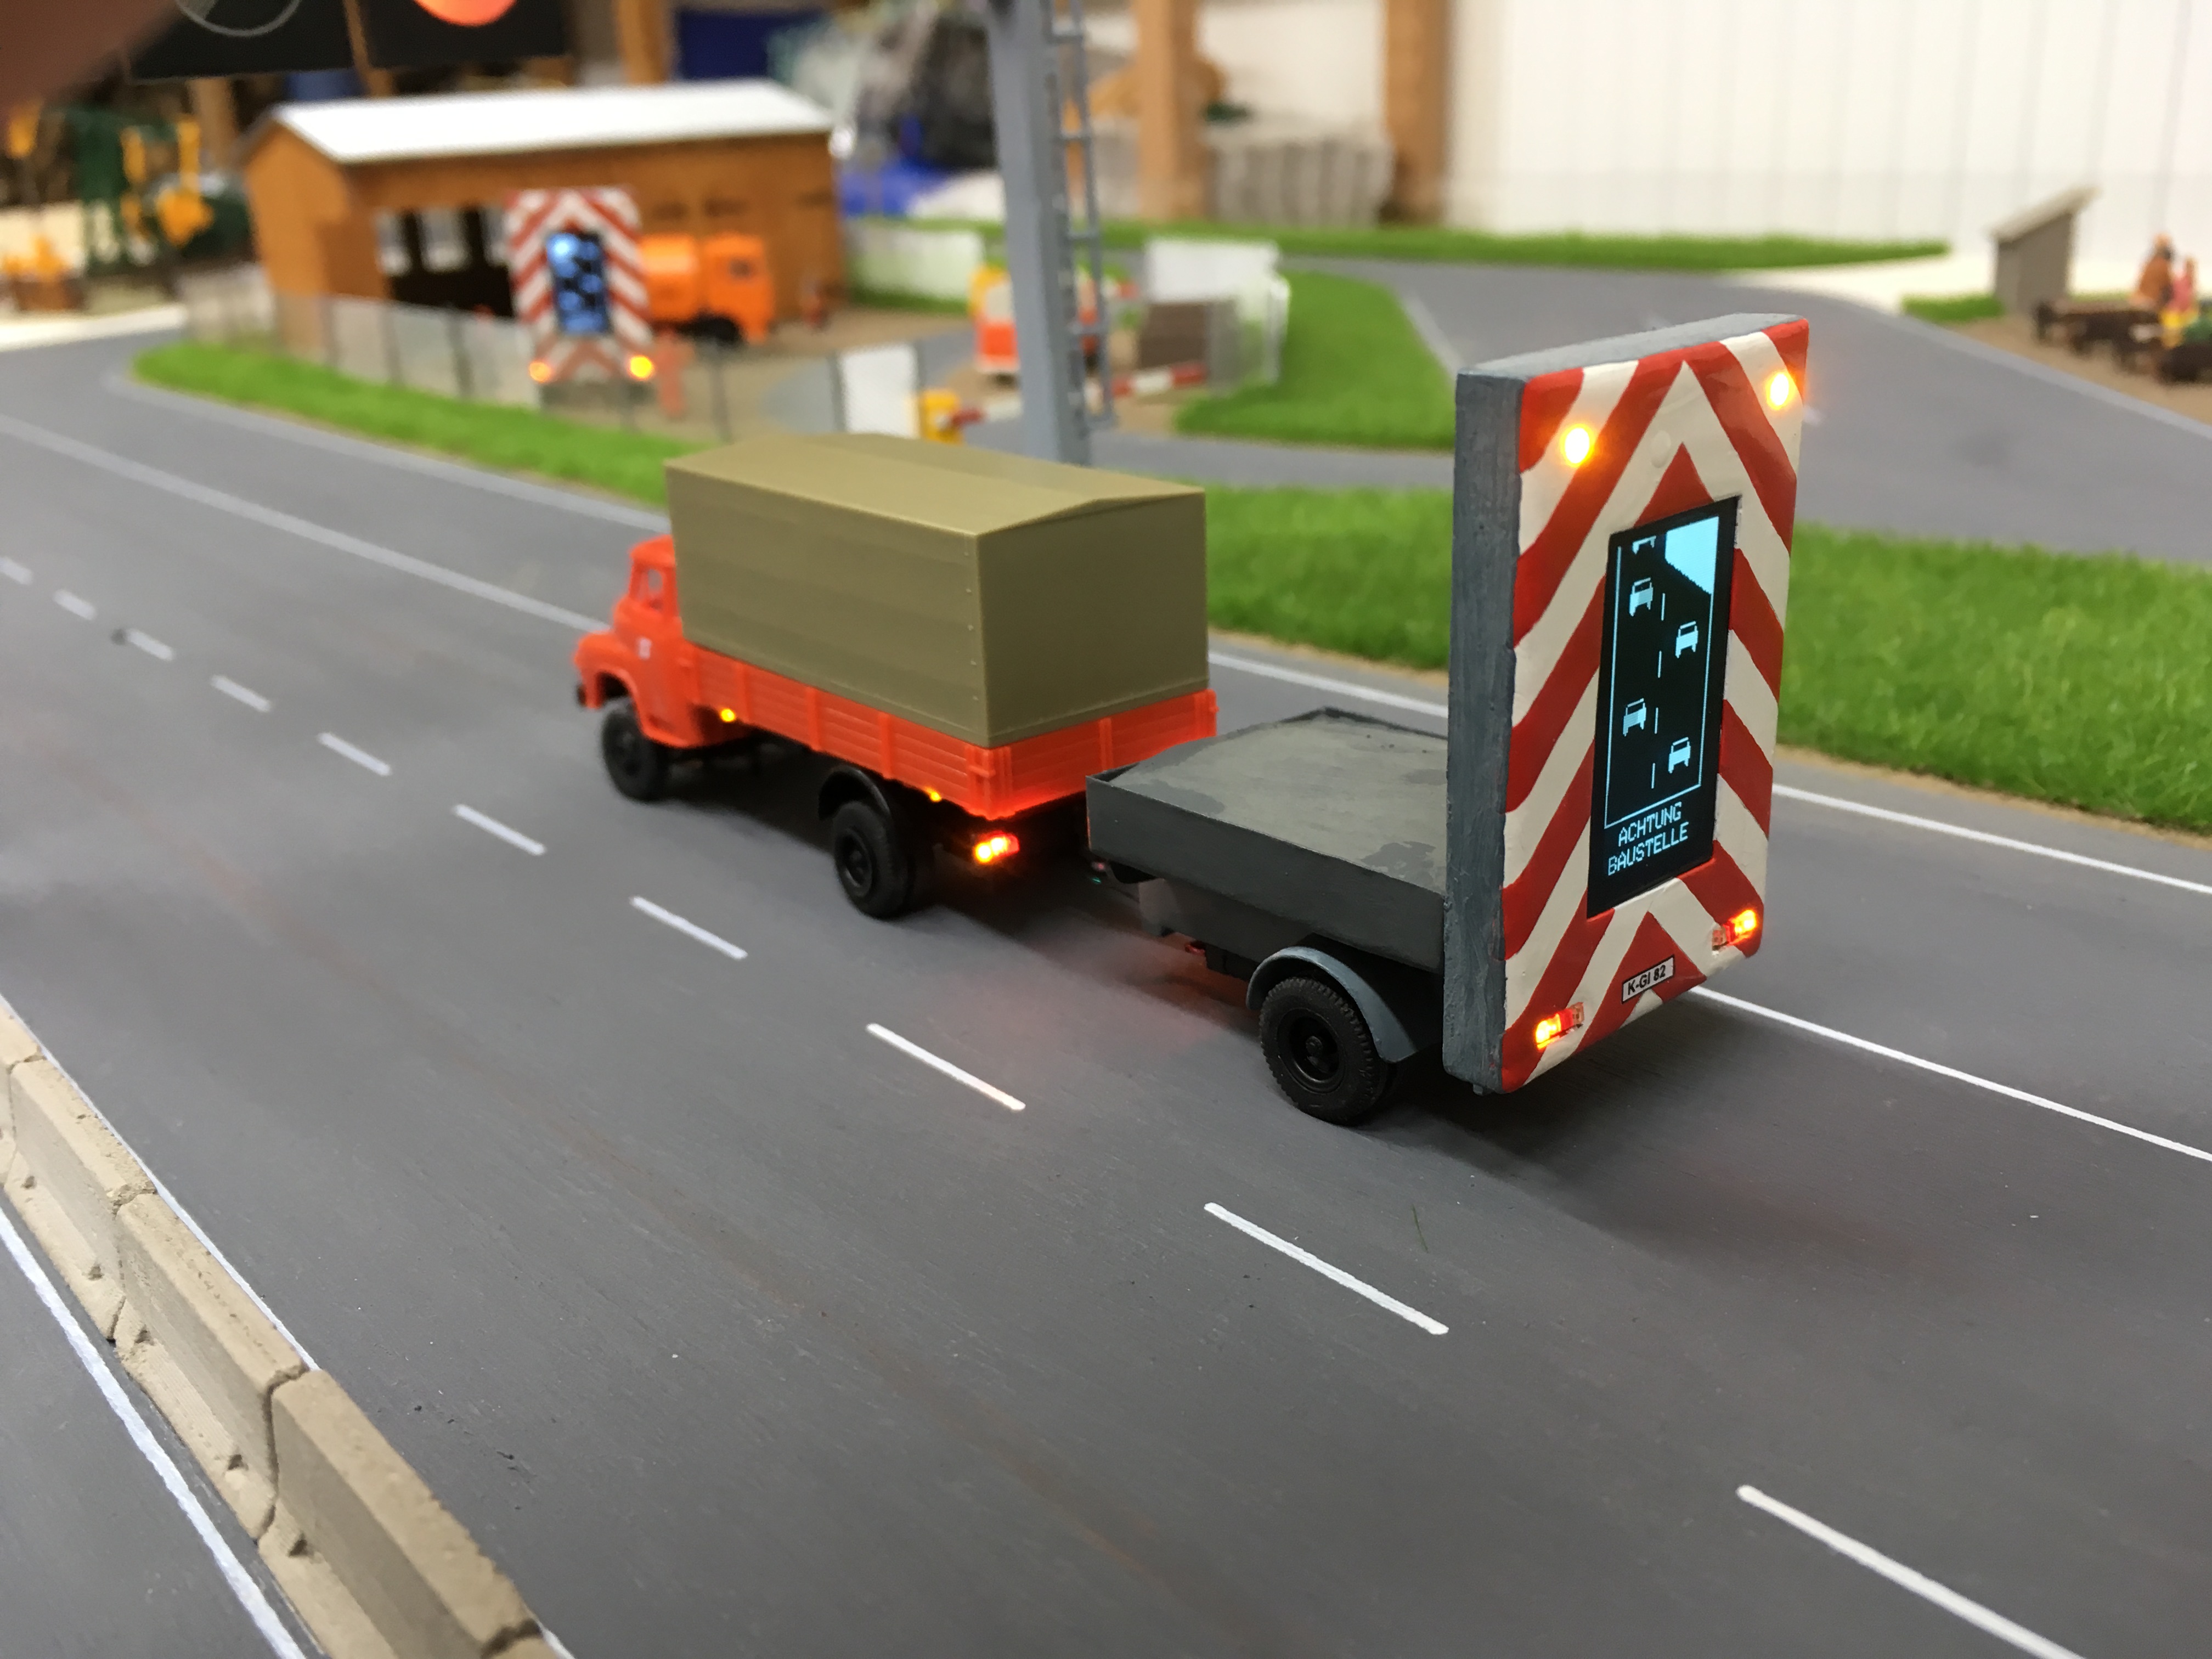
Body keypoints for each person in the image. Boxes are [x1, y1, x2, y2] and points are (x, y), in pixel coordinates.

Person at [2132, 236, 2176, 313]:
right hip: (2151, 304)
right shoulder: (2163, 265)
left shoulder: (2149, 264)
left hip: (2140, 301)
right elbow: (2170, 285)